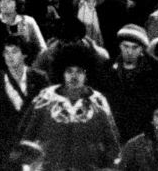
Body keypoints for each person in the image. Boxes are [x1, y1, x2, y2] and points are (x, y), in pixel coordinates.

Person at [20, 42, 122, 170]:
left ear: (87, 74)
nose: (74, 76)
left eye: (79, 71)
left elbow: (113, 144)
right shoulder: (44, 99)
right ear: (61, 72)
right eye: (69, 71)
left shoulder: (98, 102)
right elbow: (26, 138)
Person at [0, 35, 51, 168]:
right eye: (6, 52)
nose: (10, 56)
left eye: (15, 51)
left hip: (31, 146)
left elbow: (46, 115)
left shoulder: (39, 78)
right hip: (3, 148)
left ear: (24, 55)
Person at [98, 24, 158, 141]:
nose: (129, 51)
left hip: (145, 135)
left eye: (134, 47)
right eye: (125, 46)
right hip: (114, 134)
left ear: (142, 48)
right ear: (119, 46)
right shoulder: (106, 69)